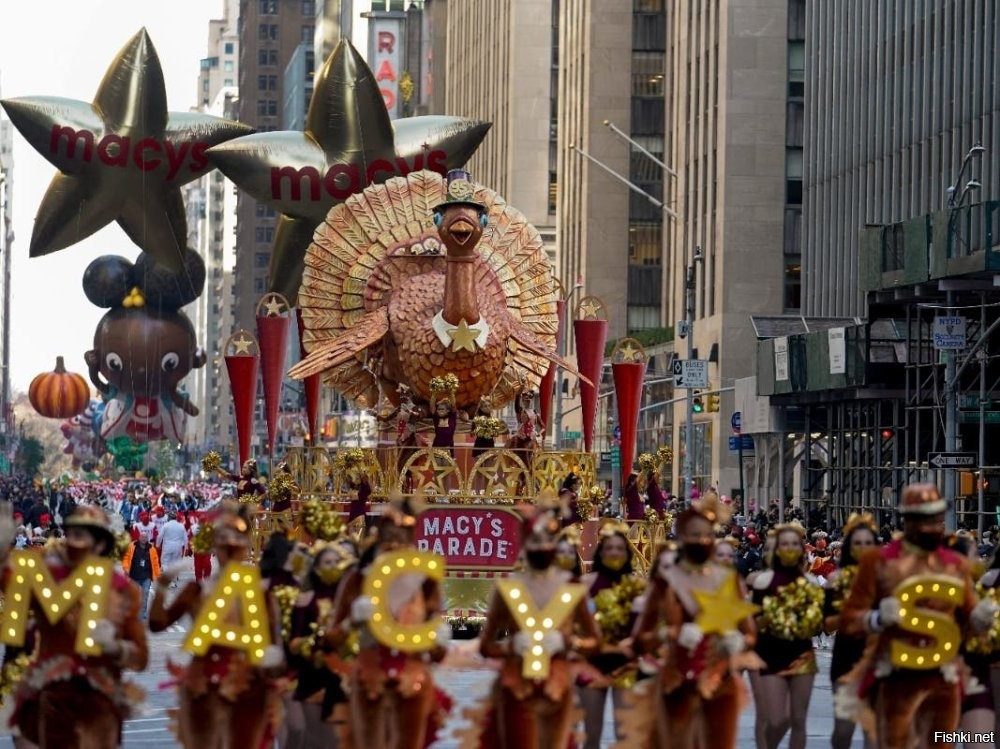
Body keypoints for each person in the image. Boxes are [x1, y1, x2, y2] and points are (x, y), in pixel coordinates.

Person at [838, 484, 998, 749]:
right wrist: (876, 618)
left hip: (944, 678)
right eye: (924, 518)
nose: (933, 526)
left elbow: (969, 615)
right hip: (896, 677)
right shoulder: (878, 562)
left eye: (936, 518)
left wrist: (979, 618)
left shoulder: (955, 565)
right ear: (908, 519)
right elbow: (849, 620)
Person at [3, 505, 149, 747]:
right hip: (54, 700)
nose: (70, 543)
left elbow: (140, 657)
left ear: (100, 545)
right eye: (69, 535)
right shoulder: (46, 577)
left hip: (100, 704)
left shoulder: (124, 591)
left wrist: (115, 647)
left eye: (79, 536)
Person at [149, 502, 284, 748]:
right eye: (222, 539)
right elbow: (157, 624)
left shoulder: (260, 592)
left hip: (248, 686)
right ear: (213, 546)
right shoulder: (196, 590)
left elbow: (274, 646)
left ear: (245, 545)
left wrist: (273, 663)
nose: (229, 545)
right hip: (203, 686)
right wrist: (162, 586)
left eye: (236, 538)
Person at [633, 494, 758, 748]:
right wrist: (671, 634)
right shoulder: (666, 580)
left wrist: (737, 641)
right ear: (681, 537)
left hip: (719, 683)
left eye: (705, 534)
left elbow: (750, 634)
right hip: (676, 680)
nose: (699, 540)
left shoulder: (728, 579)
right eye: (692, 534)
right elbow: (640, 638)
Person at [324, 495, 449, 749]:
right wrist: (351, 622)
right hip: (370, 678)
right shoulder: (358, 580)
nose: (395, 543)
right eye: (389, 535)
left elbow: (438, 653)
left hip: (412, 680)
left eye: (402, 536)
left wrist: (439, 637)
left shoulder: (425, 581)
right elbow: (330, 641)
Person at [478, 497, 600, 748]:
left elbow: (594, 642)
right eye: (535, 540)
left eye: (547, 540)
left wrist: (569, 642)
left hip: (557, 685)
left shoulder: (570, 585)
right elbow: (486, 645)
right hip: (516, 685)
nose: (541, 546)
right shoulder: (508, 588)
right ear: (523, 543)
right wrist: (510, 646)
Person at [750, 523, 818, 749]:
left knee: (798, 720)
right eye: (785, 544)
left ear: (801, 548)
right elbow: (754, 622)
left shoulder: (810, 582)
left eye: (795, 544)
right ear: (777, 548)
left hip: (801, 654)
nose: (790, 548)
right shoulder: (763, 581)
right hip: (771, 655)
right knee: (777, 719)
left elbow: (818, 623)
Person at [289, 540, 358, 749]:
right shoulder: (305, 599)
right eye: (327, 562)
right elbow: (293, 642)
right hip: (314, 676)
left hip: (344, 677)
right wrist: (313, 643)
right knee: (316, 738)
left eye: (337, 561)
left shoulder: (352, 600)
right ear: (317, 568)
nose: (333, 566)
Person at [578, 522, 639, 749]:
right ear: (601, 553)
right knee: (591, 733)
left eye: (619, 548)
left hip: (625, 664)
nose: (614, 552)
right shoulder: (586, 584)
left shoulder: (637, 585)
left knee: (625, 734)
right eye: (609, 548)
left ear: (627, 554)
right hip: (592, 663)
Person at [823, 513, 879, 749]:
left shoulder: (885, 578)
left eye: (869, 543)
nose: (863, 548)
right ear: (849, 547)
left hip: (878, 657)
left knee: (872, 730)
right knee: (844, 729)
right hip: (846, 656)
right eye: (858, 543)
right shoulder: (836, 580)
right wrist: (850, 614)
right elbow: (825, 625)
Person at [123, 530, 161, 621]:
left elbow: (156, 563)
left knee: (145, 595)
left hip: (146, 577)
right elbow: (126, 558)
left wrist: (158, 575)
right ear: (139, 538)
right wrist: (126, 568)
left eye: (145, 537)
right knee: (133, 596)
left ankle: (142, 613)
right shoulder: (132, 546)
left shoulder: (151, 549)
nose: (144, 539)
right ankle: (132, 611)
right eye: (142, 537)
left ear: (147, 539)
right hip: (134, 576)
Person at [157, 511, 189, 576]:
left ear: (169, 518)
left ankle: (167, 578)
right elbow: (185, 538)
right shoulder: (181, 526)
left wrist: (158, 544)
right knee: (175, 563)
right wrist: (186, 548)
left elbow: (160, 536)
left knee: (165, 562)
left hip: (167, 546)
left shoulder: (166, 525)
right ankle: (174, 580)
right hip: (178, 547)